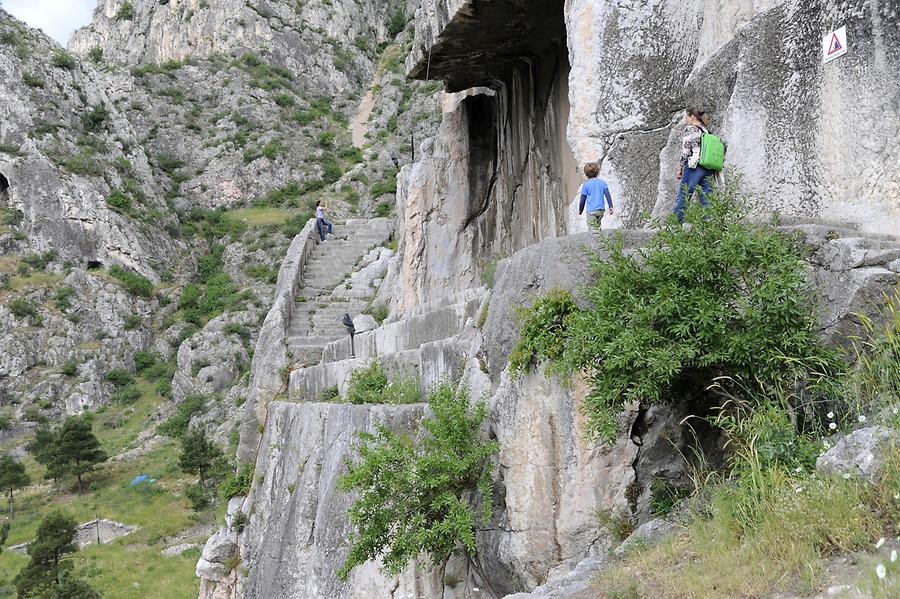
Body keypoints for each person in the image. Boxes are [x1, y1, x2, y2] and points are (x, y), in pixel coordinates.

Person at [673, 107, 716, 222]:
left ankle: (675, 226)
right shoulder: (706, 131)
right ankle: (709, 226)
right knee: (706, 198)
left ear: (692, 116)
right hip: (708, 167)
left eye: (687, 116)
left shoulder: (691, 129)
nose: (686, 119)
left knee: (684, 194)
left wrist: (680, 167)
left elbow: (686, 150)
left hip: (694, 166)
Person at [578, 162, 613, 229]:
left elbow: (582, 200)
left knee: (592, 229)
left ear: (586, 174)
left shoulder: (586, 185)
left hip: (591, 211)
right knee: (598, 227)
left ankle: (596, 239)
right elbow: (608, 195)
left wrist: (580, 210)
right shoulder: (602, 183)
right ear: (597, 172)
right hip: (600, 210)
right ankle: (600, 239)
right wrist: (611, 206)